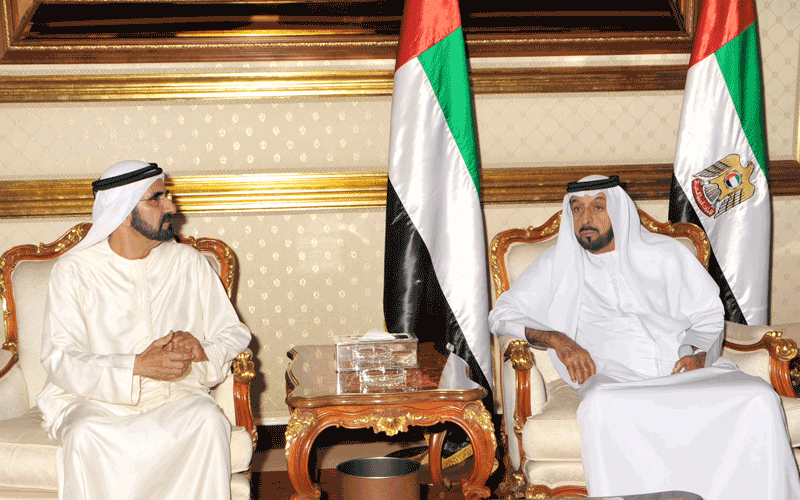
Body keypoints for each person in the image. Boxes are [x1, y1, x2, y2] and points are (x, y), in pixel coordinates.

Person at [488, 174, 800, 499]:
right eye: (577, 209)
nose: (586, 219)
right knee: (600, 406)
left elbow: (707, 314)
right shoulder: (556, 263)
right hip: (615, 380)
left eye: (597, 207)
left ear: (619, 211)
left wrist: (700, 355)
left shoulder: (666, 253)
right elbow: (501, 315)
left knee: (759, 397)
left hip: (683, 375)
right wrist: (556, 339)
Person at [36, 160, 252, 500]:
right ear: (122, 211)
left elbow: (234, 332)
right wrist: (135, 366)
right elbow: (60, 357)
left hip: (174, 396)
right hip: (97, 401)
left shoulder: (188, 262)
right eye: (157, 199)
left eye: (167, 196)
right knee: (84, 434)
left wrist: (202, 349)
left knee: (206, 422)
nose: (172, 206)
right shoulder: (74, 271)